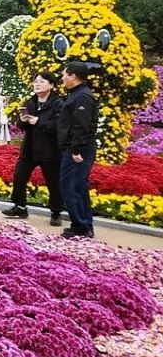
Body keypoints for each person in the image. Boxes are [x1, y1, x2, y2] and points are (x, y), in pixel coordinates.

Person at [1, 72, 65, 226]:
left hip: (49, 150)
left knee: (53, 182)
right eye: (35, 81)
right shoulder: (30, 102)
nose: (37, 84)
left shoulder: (58, 104)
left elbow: (58, 126)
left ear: (51, 85)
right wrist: (22, 121)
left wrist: (38, 121)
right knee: (19, 177)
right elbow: (22, 126)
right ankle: (20, 207)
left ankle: (56, 212)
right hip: (29, 148)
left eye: (41, 82)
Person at [58, 61, 99, 239]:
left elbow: (82, 126)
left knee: (70, 186)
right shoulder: (77, 94)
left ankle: (80, 226)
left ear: (73, 76)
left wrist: (75, 150)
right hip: (78, 147)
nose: (62, 78)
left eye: (64, 74)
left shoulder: (82, 96)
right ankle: (84, 225)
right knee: (79, 187)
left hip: (79, 149)